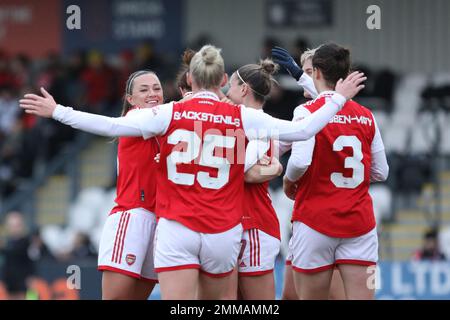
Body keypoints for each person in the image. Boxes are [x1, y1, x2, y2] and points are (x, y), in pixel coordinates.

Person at [20, 44, 366, 299]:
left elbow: (108, 126)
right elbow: (303, 131)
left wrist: (58, 111)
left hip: (177, 225)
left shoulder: (169, 114)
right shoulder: (239, 117)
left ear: (189, 79)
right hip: (224, 229)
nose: (154, 93)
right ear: (224, 79)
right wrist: (336, 98)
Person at [279, 43, 389, 300]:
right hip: (359, 224)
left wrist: (288, 180)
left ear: (316, 72)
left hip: (314, 221)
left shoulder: (306, 111)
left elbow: (299, 163)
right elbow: (381, 172)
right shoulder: (366, 116)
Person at [274, 47, 347, 300]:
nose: (305, 78)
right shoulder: (313, 111)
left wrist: (286, 177)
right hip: (306, 215)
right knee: (290, 297)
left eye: (309, 72)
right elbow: (280, 144)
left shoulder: (324, 110)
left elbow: (329, 99)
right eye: (303, 72)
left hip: (326, 217)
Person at [224, 59, 284, 300]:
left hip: (253, 225)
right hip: (229, 222)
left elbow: (242, 172)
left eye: (230, 85)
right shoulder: (235, 119)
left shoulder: (256, 123)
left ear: (244, 89)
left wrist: (275, 169)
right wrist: (276, 168)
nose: (227, 92)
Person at [0, 211, 34, 300]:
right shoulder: (8, 243)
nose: (14, 228)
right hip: (10, 283)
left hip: (24, 283)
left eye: (17, 225)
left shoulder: (27, 241)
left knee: (30, 297)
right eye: (11, 225)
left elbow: (16, 253)